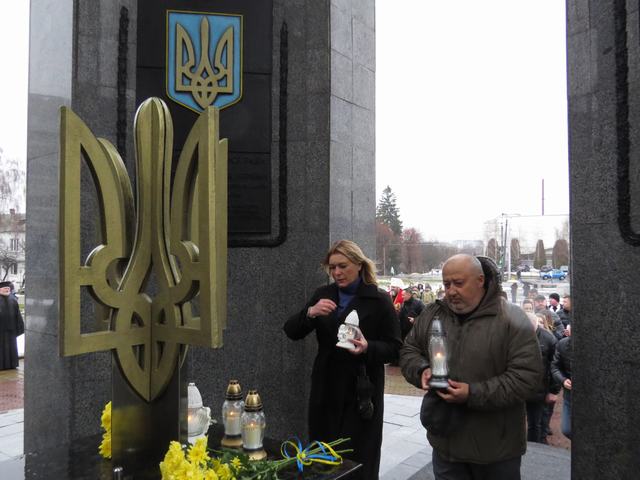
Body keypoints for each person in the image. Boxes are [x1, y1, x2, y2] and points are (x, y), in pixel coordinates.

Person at [400, 254, 542, 480]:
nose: (451, 291)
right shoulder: (433, 313)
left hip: (496, 450)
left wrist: (472, 393)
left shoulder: (512, 318)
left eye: (458, 283)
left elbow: (526, 378)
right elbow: (409, 350)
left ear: (480, 280)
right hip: (446, 444)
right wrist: (421, 370)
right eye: (447, 284)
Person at [283, 240, 401, 479]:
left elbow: (395, 348)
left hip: (361, 389)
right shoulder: (323, 295)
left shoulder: (379, 300)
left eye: (343, 266)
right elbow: (291, 331)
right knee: (323, 453)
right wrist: (310, 313)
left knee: (358, 457)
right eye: (332, 267)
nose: (337, 272)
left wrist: (367, 347)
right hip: (326, 385)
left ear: (359, 265)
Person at [525, 313, 559, 444]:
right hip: (517, 387)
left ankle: (535, 448)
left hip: (538, 389)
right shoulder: (516, 334)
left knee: (535, 423)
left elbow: (555, 366)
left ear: (536, 324)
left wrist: (553, 391)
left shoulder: (549, 339)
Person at [551, 324, 572, 440]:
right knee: (566, 429)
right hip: (569, 393)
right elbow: (555, 367)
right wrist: (563, 380)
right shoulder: (562, 344)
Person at [0, 281, 24, 370]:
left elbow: (18, 314)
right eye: (5, 288)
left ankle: (11, 364)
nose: (7, 290)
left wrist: (20, 326)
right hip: (1, 330)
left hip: (11, 329)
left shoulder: (13, 300)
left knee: (11, 347)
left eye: (8, 288)